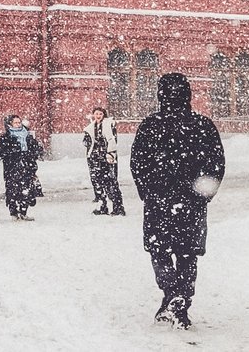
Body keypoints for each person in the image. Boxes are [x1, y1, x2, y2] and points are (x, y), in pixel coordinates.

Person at [130, 72, 225, 330]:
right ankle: (181, 300)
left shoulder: (150, 125)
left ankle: (171, 292)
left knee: (159, 250)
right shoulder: (203, 125)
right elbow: (216, 164)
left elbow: (138, 164)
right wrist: (203, 193)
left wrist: (148, 191)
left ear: (160, 95)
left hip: (159, 201)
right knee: (187, 253)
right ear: (188, 95)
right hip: (191, 202)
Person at [0, 113, 43, 220]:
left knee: (26, 191)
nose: (18, 124)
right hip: (12, 168)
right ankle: (14, 213)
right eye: (15, 123)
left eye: (19, 122)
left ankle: (23, 212)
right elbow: (0, 153)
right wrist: (12, 152)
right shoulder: (5, 137)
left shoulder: (27, 135)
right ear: (10, 124)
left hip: (27, 167)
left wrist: (35, 152)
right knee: (12, 191)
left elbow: (35, 148)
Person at [83, 106, 125, 216]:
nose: (98, 116)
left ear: (103, 115)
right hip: (95, 158)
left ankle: (118, 207)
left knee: (111, 183)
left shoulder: (108, 125)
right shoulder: (90, 127)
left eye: (100, 114)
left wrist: (110, 154)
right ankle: (102, 206)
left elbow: (112, 140)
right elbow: (87, 142)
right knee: (98, 183)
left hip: (107, 158)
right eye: (96, 114)